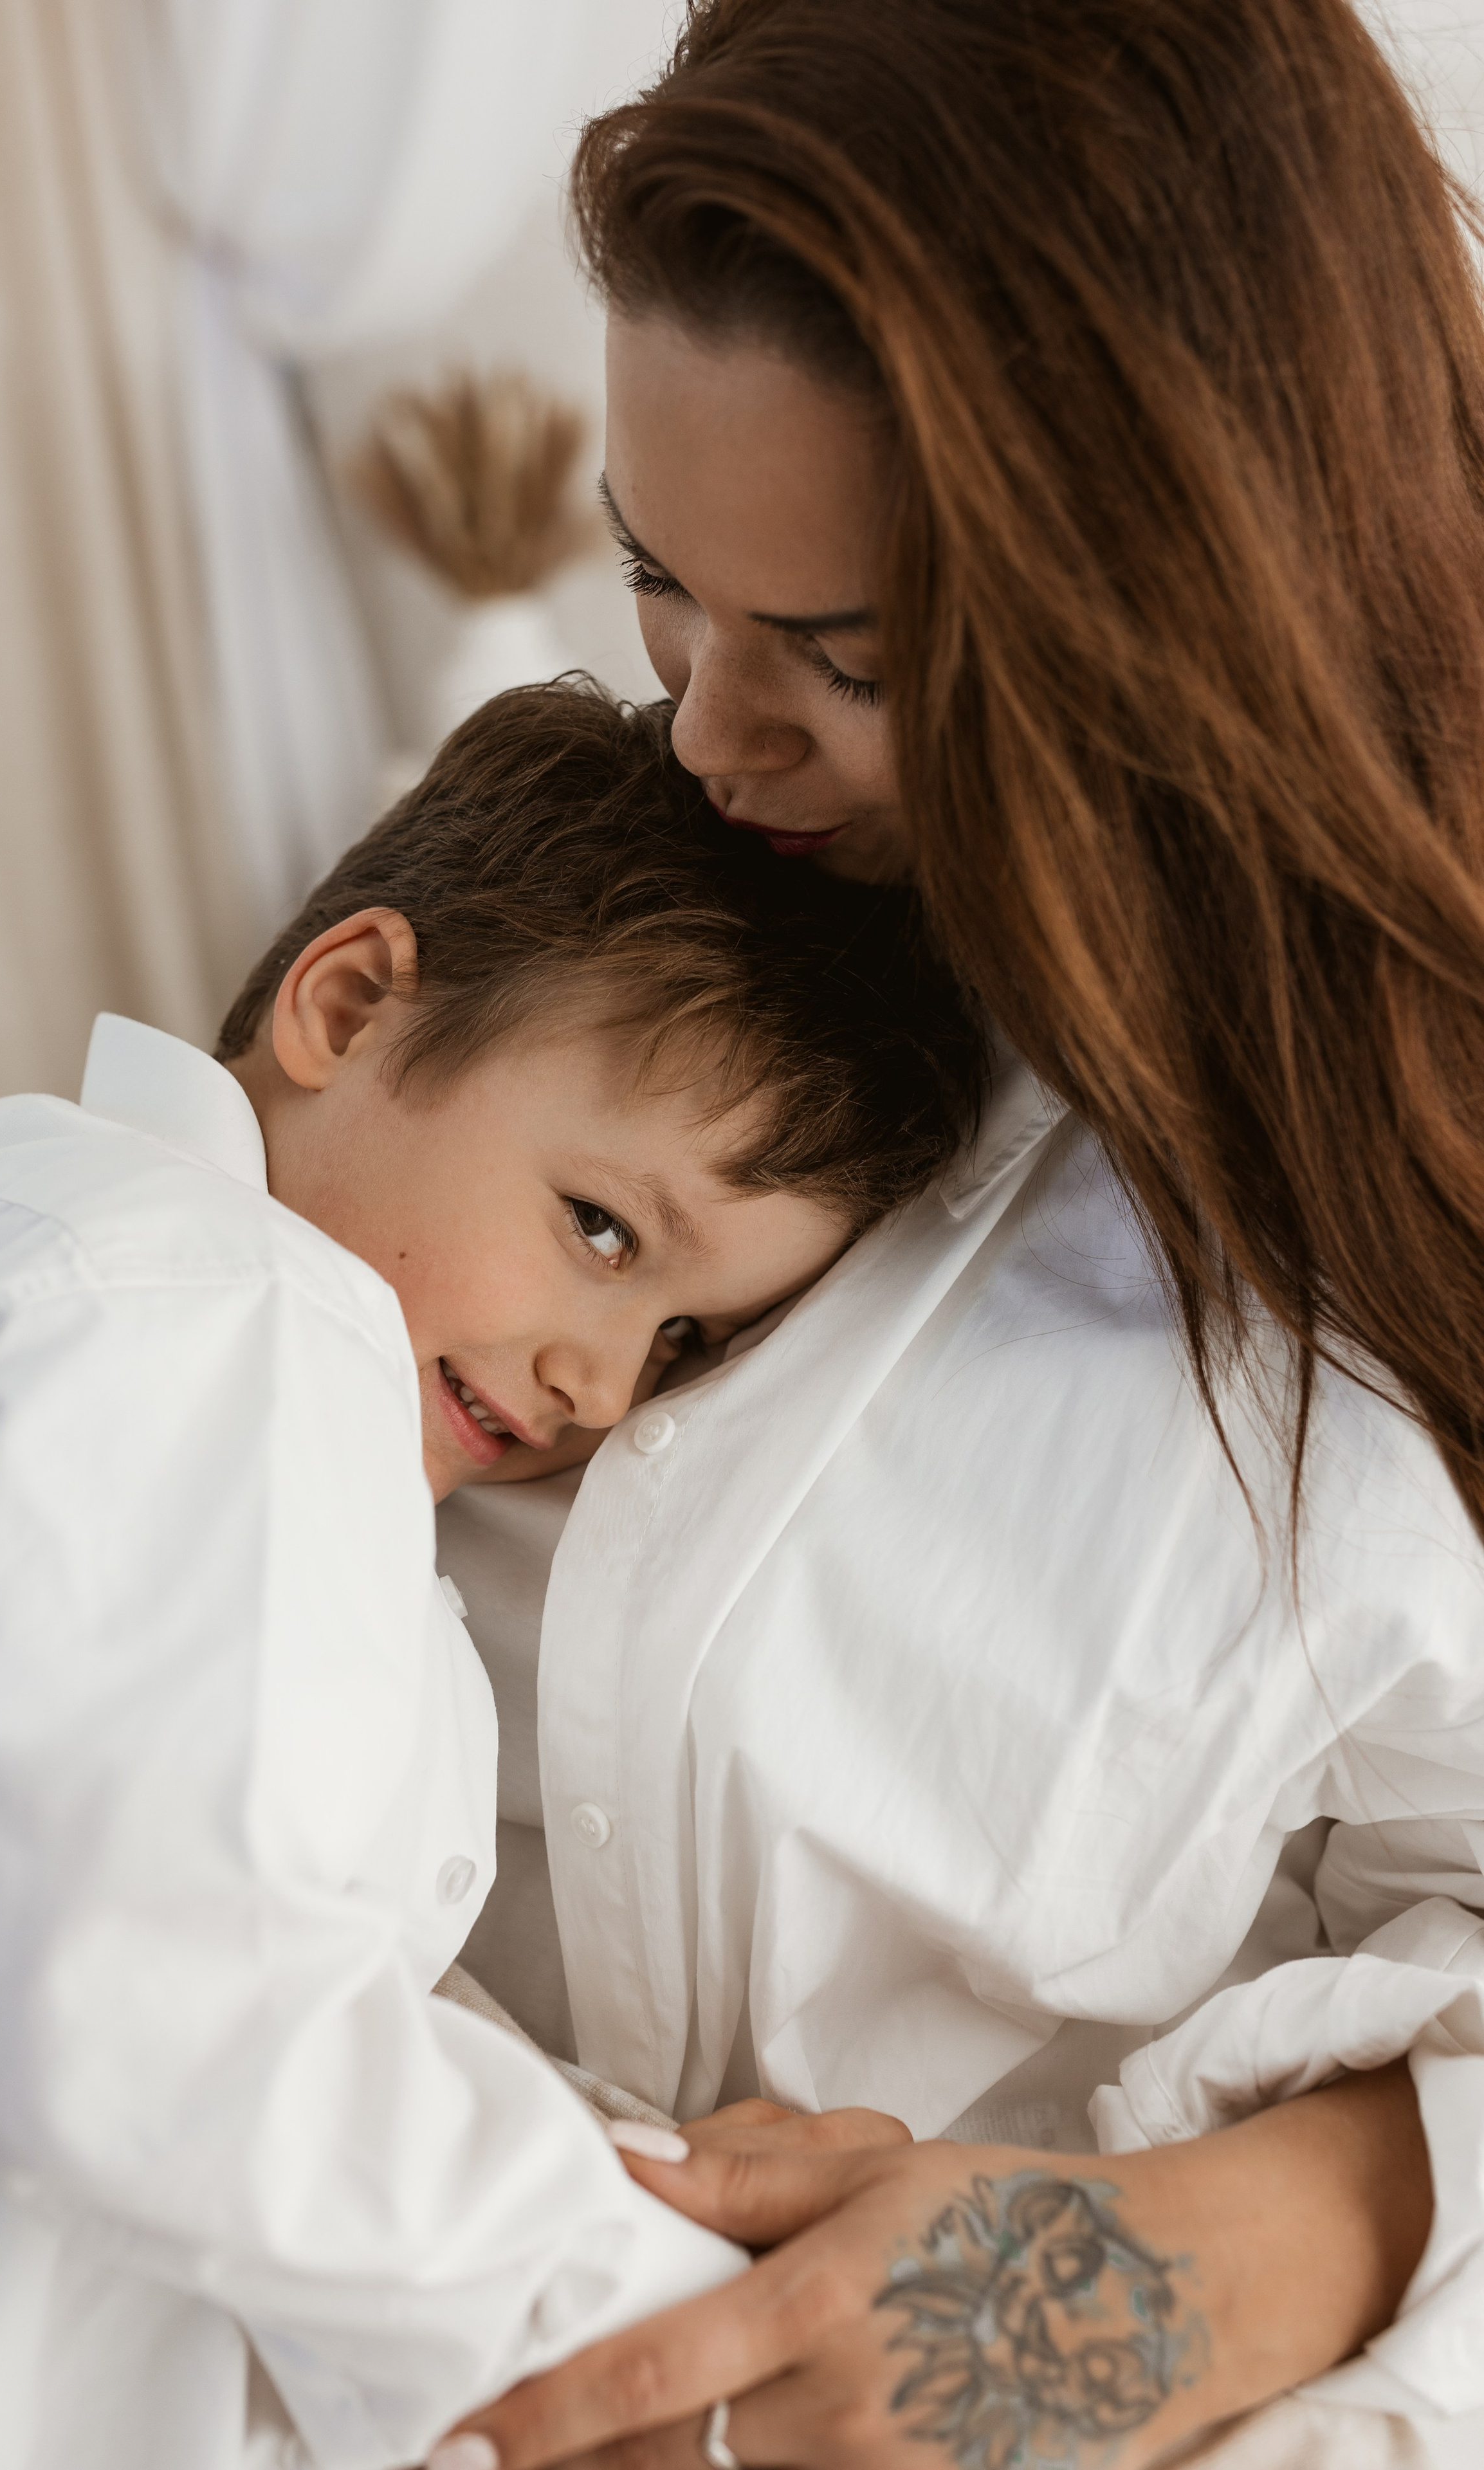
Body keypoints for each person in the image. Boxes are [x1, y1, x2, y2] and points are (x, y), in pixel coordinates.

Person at [420, 6, 1484, 2467]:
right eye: (660, 581)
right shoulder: (564, 949)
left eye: (856, 659)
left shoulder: (1371, 1212)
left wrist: (1212, 2261)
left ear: (1201, 609)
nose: (706, 734)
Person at [0, 681, 987, 2470]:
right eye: (599, 1229)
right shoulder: (231, 1313)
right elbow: (131, 2000)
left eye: (680, 1341)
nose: (599, 1384)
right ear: (351, 1002)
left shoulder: (24, 1230)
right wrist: (682, 2296)